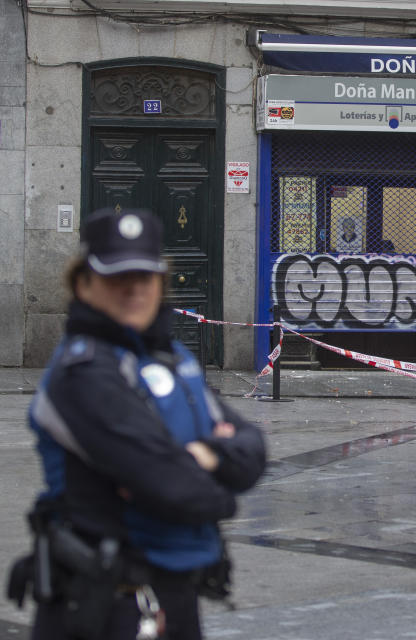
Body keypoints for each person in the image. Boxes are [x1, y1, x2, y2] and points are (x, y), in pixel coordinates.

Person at [7, 208, 267, 640]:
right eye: (116, 279)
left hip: (176, 594)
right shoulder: (84, 371)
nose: (133, 291)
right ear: (83, 284)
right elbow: (179, 491)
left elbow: (253, 448)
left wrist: (204, 456)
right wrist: (215, 474)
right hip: (104, 605)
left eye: (145, 278)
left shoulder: (173, 358)